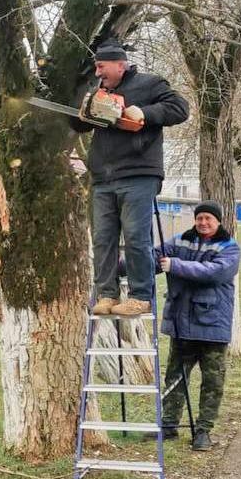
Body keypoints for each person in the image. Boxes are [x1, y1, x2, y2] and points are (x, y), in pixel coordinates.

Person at [71, 38, 189, 317]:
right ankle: (107, 294)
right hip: (103, 177)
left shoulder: (149, 85)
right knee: (103, 239)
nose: (98, 73)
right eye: (96, 67)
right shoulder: (98, 91)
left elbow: (180, 109)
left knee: (136, 237)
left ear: (120, 64)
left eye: (102, 67)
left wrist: (146, 113)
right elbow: (79, 124)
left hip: (138, 174)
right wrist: (83, 113)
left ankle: (139, 296)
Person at [156, 201, 241, 451]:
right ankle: (169, 425)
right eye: (199, 218)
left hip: (212, 326)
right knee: (175, 376)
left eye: (208, 218)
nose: (203, 223)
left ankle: (203, 431)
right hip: (182, 324)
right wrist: (122, 266)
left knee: (212, 382)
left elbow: (214, 273)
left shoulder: (229, 247)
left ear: (218, 221)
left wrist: (175, 265)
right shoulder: (181, 240)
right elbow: (155, 256)